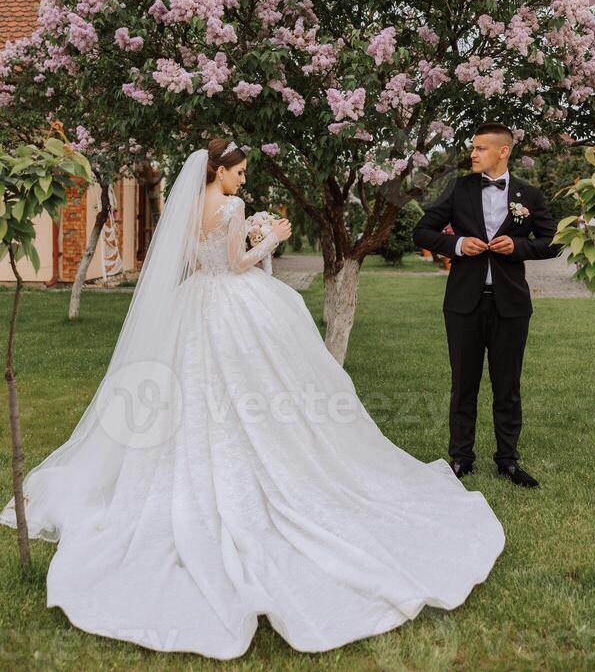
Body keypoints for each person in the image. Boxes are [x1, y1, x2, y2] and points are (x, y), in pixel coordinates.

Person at [1, 138, 505, 660]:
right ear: (219, 172)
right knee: (261, 392)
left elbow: (197, 266)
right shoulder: (233, 206)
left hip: (193, 305)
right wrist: (274, 238)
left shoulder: (185, 206)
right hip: (233, 304)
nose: (242, 180)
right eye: (238, 172)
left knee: (190, 392)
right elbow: (239, 263)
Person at [413, 122, 559, 489]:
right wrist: (458, 245)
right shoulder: (459, 189)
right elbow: (423, 231)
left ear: (502, 151)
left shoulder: (530, 195)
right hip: (463, 304)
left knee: (507, 385)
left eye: (479, 148)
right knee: (463, 384)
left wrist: (519, 247)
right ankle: (461, 458)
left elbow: (553, 240)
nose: (473, 154)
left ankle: (508, 461)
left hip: (511, 305)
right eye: (472, 148)